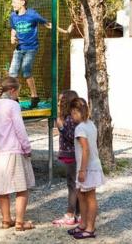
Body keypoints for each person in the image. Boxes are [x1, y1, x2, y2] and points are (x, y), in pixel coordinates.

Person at [0, 77, 35, 231]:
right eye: (18, 91)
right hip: (13, 151)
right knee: (22, 188)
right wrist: (27, 148)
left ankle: (6, 220)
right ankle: (20, 222)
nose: (18, 95)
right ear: (12, 90)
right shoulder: (13, 105)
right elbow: (20, 129)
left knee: (2, 189)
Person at [8, 0, 73, 108]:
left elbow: (48, 24)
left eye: (14, 1)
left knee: (26, 70)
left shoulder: (32, 14)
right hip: (19, 48)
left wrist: (65, 31)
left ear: (22, 2)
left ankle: (34, 96)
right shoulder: (13, 16)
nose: (12, 4)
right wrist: (12, 37)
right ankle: (14, 98)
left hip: (31, 48)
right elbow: (13, 28)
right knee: (12, 73)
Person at [67, 97, 105, 239]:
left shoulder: (80, 128)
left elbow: (85, 150)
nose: (71, 116)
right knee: (81, 196)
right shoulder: (91, 124)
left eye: (72, 113)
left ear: (77, 111)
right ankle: (83, 224)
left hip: (87, 168)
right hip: (90, 166)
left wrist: (82, 170)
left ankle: (90, 228)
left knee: (89, 197)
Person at [52, 90, 81, 226]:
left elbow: (72, 137)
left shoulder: (70, 119)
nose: (58, 103)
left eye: (60, 101)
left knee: (72, 186)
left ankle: (70, 215)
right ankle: (79, 214)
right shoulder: (72, 117)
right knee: (76, 185)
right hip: (72, 156)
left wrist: (61, 127)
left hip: (72, 156)